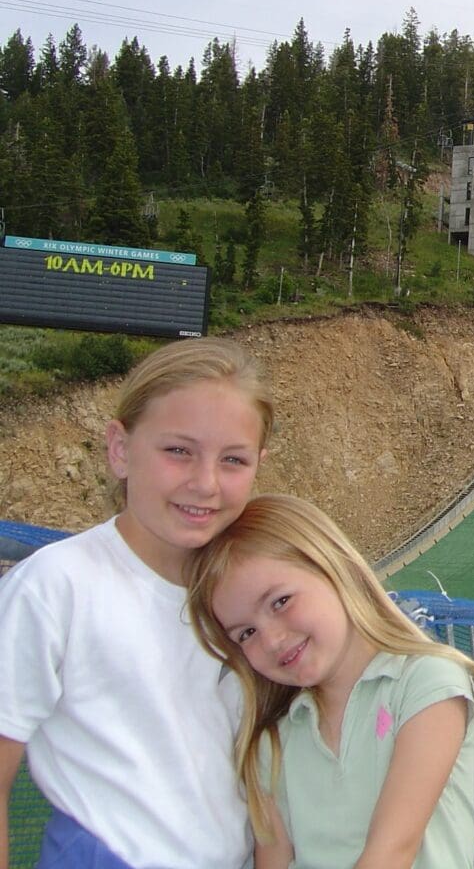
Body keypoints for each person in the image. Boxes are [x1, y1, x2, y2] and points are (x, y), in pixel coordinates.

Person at [0, 337, 274, 869]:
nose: (204, 483)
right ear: (120, 450)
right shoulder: (58, 586)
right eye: (178, 451)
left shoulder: (255, 603)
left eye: (233, 460)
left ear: (258, 464)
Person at [185, 493, 474, 869]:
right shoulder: (272, 742)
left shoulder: (426, 682)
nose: (272, 639)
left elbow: (391, 852)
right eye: (246, 633)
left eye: (280, 602)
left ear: (334, 567)